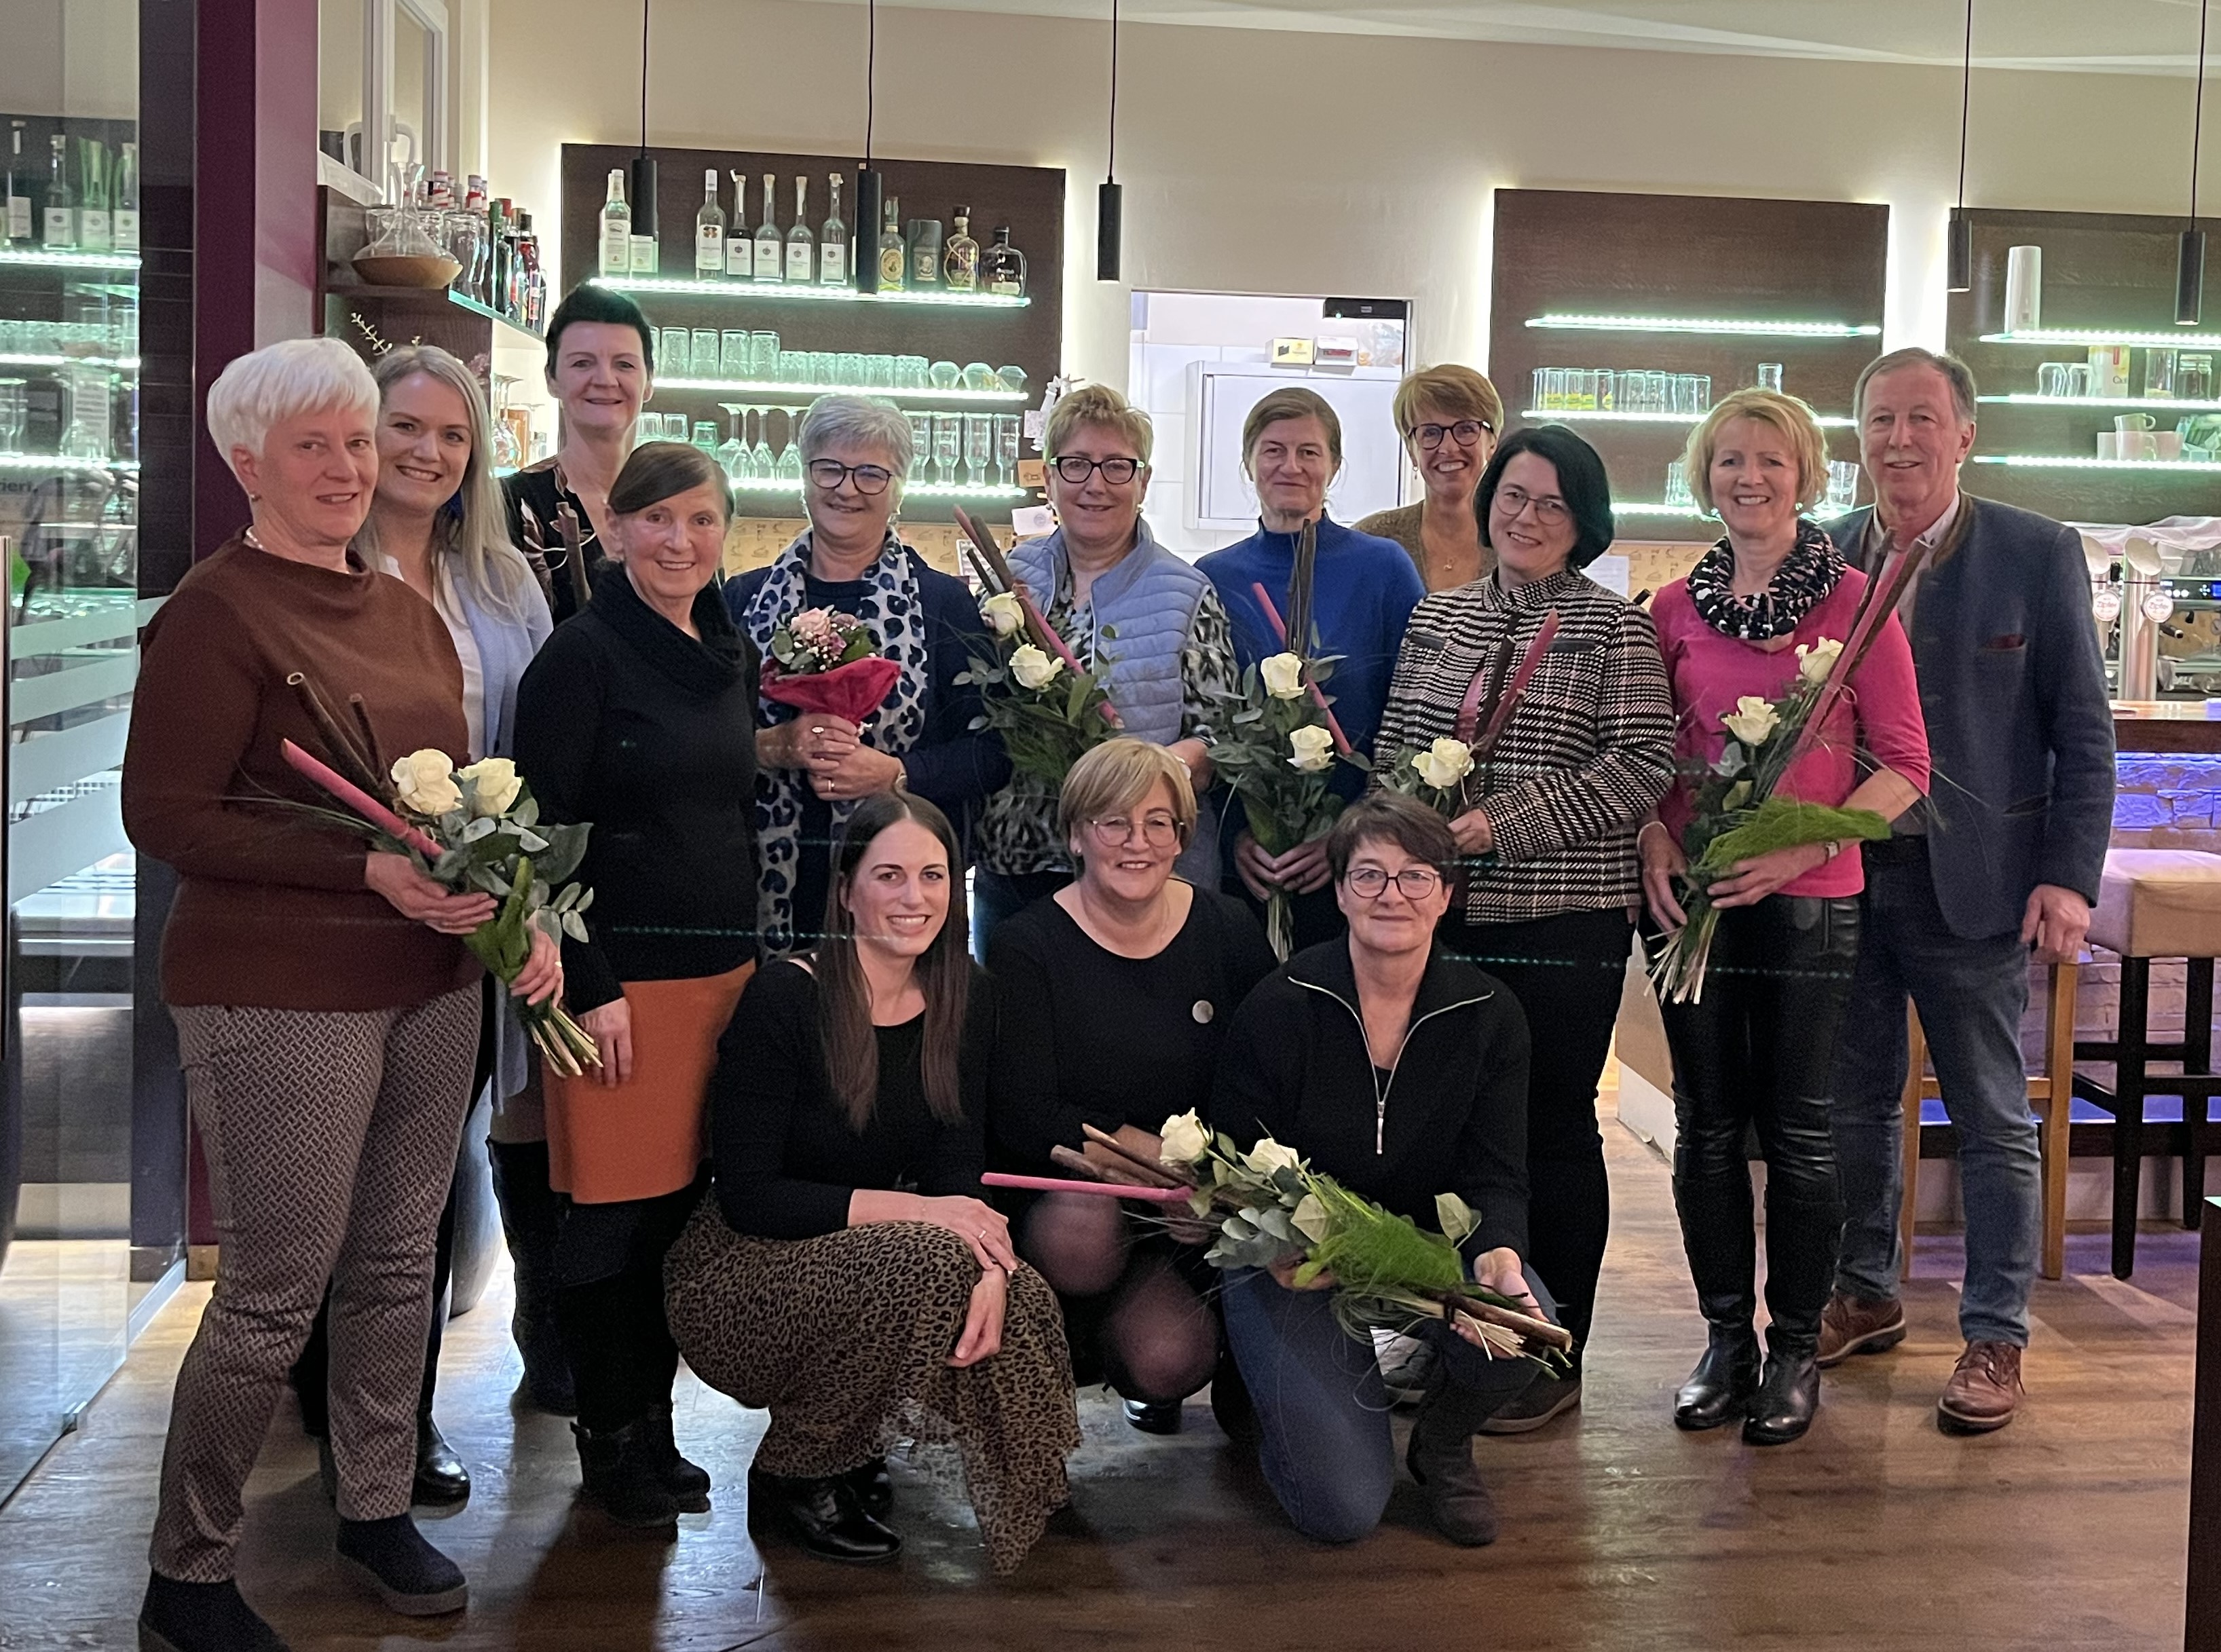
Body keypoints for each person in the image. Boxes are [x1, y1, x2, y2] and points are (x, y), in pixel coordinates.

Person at [122, 337, 559, 1651]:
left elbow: (456, 811)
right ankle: (187, 1569)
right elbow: (168, 814)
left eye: (358, 442)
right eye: (312, 445)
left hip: (427, 976)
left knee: (394, 1262)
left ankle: (375, 1505)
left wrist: (516, 917)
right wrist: (362, 867)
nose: (347, 467)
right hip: (280, 989)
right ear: (245, 460)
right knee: (274, 1290)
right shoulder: (217, 609)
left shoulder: (401, 605)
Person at [666, 791, 1081, 1575]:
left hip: (871, 1251)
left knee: (1012, 1284)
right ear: (846, 888)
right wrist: (927, 1215)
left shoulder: (966, 995)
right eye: (888, 875)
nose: (912, 896)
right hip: (740, 1270)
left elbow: (958, 1161)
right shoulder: (786, 995)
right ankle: (794, 1473)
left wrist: (992, 1267)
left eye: (931, 875)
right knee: (921, 1259)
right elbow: (750, 1194)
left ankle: (975, 1479)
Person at [1817, 348, 2115, 1433]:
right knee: (1853, 1103)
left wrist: (2068, 877)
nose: (1900, 440)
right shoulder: (1825, 553)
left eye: (1922, 419)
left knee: (1991, 1114)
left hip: (1980, 887)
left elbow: (2084, 730)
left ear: (1965, 435)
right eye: (1880, 419)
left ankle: (1996, 1333)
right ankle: (1864, 1291)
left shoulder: (2037, 552)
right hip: (1845, 875)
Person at [289, 345, 560, 1507]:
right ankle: (325, 1396)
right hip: (338, 911)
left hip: (463, 921)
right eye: (404, 427)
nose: (427, 452)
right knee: (327, 1174)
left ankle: (400, 1419)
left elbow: (533, 754)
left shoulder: (502, 582)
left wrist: (521, 892)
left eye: (453, 435)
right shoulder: (310, 567)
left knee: (425, 1179)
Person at [1640, 388, 1930, 1446]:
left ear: (1806, 474)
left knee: (1804, 1131)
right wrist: (1653, 834)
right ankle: (1725, 1340)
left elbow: (1904, 767)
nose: (1748, 476)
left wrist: (1802, 846)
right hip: (1693, 902)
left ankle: (1796, 1347)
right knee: (1707, 1126)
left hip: (1810, 905)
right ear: (1703, 477)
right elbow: (1649, 753)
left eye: (1769, 459)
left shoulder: (1858, 603)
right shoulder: (1673, 607)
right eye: (1729, 459)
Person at [1373, 424, 1673, 1431]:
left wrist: (1499, 824)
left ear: (1584, 521)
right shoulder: (1437, 617)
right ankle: (1451, 1331)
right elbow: (1392, 750)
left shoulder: (1614, 628)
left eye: (1552, 503)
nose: (1527, 517)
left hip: (1561, 920)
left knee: (1549, 1131)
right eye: (1514, 496)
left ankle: (1552, 1351)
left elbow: (1639, 766)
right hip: (1440, 924)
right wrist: (1395, 847)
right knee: (1444, 1133)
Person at [512, 441, 761, 1525]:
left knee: (670, 1220)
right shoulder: (580, 656)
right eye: (656, 518)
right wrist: (591, 980)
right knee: (610, 1220)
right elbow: (542, 834)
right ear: (613, 529)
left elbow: (726, 809)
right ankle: (609, 1438)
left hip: (721, 972)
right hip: (620, 984)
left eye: (701, 520)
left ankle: (653, 1430)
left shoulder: (725, 646)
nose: (679, 540)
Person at [1209, 794, 1547, 1547]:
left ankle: (1443, 1445)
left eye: (1415, 875)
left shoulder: (1490, 1013)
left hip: (1424, 1244)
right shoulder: (1281, 1004)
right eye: (1368, 875)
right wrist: (1280, 1248)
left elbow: (1497, 1173)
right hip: (1297, 1260)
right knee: (1341, 1511)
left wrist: (1500, 1252)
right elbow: (1235, 1164)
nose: (1392, 894)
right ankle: (1261, 1380)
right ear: (1338, 892)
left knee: (1525, 1335)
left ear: (1446, 894)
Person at [986, 738, 1276, 1433]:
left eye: (1158, 822)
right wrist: (1156, 1163)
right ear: (1075, 835)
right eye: (1113, 822)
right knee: (1082, 1228)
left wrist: (1213, 1181)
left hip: (1196, 1202)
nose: (1137, 842)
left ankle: (1174, 1352)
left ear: (1182, 836)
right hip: (1072, 1197)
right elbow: (1024, 1111)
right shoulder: (1025, 944)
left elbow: (1270, 1076)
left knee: (1169, 1360)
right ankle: (1051, 1353)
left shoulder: (1228, 928)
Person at [731, 394, 1009, 954]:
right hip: (762, 888)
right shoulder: (743, 599)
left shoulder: (943, 605)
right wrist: (773, 745)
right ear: (804, 477)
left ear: (899, 489)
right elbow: (701, 742)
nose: (847, 488)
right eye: (829, 469)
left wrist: (896, 774)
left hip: (902, 898)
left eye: (871, 474)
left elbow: (992, 754)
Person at [971, 385, 1239, 954]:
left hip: (1139, 877)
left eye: (1117, 466)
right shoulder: (1010, 578)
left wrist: (1148, 778)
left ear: (1143, 482)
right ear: (1049, 479)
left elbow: (1220, 737)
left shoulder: (1187, 593)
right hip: (1016, 867)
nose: (1095, 484)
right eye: (1076, 464)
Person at [1200, 388, 1425, 952]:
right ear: (1248, 462)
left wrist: (1350, 831)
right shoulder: (1213, 577)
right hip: (1252, 863)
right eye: (1273, 450)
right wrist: (1237, 837)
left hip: (1358, 862)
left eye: (1309, 452)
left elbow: (1415, 713)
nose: (1291, 466)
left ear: (1335, 465)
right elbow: (1207, 720)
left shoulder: (1382, 568)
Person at [502, 283, 658, 623]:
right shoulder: (510, 504)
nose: (605, 379)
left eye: (624, 365)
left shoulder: (677, 499)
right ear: (552, 380)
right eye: (582, 363)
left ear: (649, 382)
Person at [1354, 364, 1503, 592]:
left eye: (1466, 429)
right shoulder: (1372, 540)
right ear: (1411, 450)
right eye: (1431, 433)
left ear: (1492, 442)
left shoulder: (1517, 542)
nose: (1449, 448)